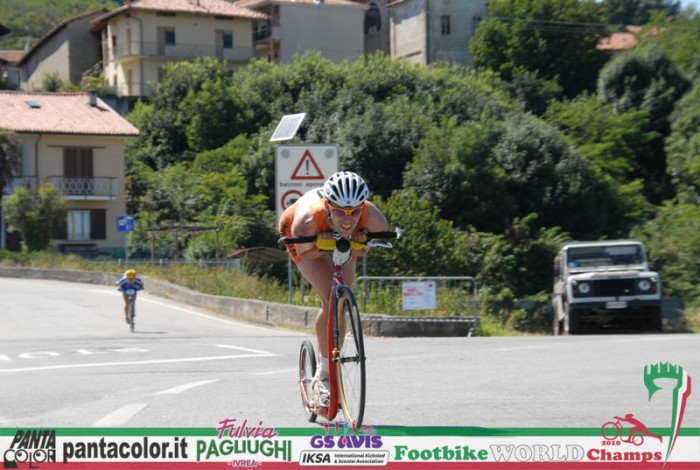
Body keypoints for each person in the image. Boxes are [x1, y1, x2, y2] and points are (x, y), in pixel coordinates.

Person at [279, 171, 388, 408]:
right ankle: (323, 374)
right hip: (305, 240)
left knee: (342, 300)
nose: (347, 218)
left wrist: (358, 243)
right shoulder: (306, 221)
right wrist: (321, 242)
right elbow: (307, 253)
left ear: (363, 207)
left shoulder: (374, 220)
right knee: (330, 296)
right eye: (339, 211)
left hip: (338, 239)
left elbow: (361, 251)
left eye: (354, 212)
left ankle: (335, 337)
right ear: (328, 206)